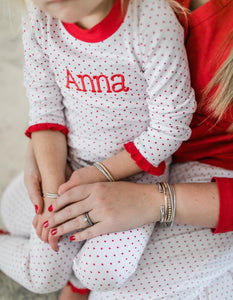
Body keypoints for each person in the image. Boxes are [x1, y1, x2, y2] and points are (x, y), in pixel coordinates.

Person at [21, 0, 233, 298]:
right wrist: (42, 148)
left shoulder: (149, 19)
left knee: (105, 278)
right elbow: (51, 99)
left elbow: (168, 127)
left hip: (204, 178)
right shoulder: (49, 19)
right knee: (21, 217)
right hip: (100, 157)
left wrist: (157, 202)